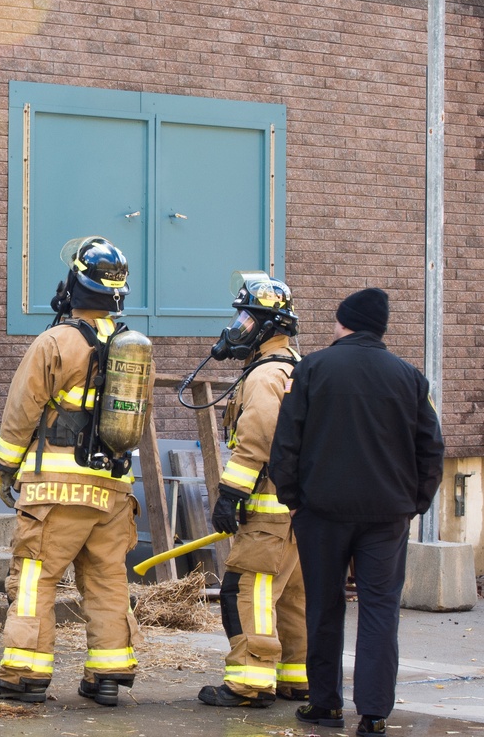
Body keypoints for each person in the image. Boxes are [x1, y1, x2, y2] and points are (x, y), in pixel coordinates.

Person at [0, 236, 148, 708]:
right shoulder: (131, 349)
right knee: (108, 578)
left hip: (57, 491)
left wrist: (5, 466)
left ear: (76, 284)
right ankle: (108, 675)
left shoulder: (56, 342)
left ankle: (24, 675)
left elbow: (20, 410)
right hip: (113, 492)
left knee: (35, 576)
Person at [269, 287, 444, 736]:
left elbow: (286, 443)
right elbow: (432, 449)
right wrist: (414, 503)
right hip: (388, 516)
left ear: (343, 323)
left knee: (324, 607)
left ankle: (325, 704)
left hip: (322, 513)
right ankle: (374, 713)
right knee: (381, 610)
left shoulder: (311, 369)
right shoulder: (409, 377)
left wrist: (293, 501)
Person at [196, 272, 309, 709]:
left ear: (269, 326)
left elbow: (258, 437)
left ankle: (250, 682)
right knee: (292, 596)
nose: (238, 328)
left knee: (249, 590)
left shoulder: (265, 376)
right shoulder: (297, 368)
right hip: (295, 514)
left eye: (247, 319)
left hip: (266, 514)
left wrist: (230, 494)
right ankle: (296, 678)